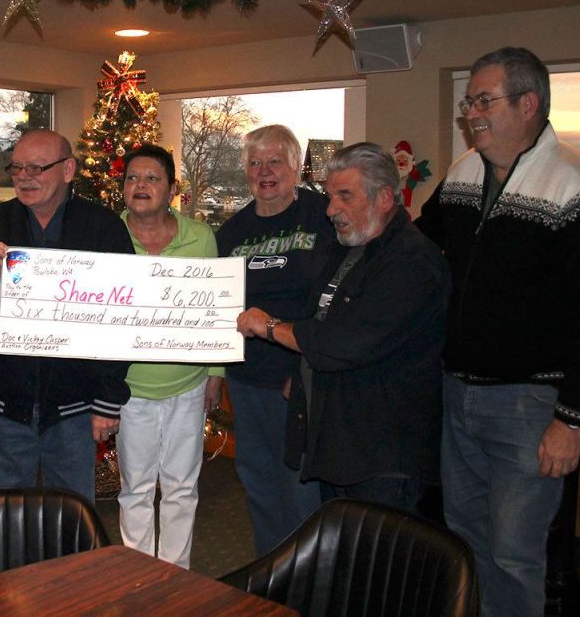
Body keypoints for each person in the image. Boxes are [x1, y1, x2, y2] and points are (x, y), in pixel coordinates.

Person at [416, 47, 580, 616]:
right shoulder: (463, 173)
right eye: (469, 102)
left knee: (513, 555)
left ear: (528, 103)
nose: (471, 114)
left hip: (529, 406)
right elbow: (417, 249)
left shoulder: (578, 188)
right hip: (457, 393)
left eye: (483, 101)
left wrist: (571, 420)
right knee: (464, 540)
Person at [237, 142, 448, 513]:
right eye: (331, 196)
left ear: (384, 198)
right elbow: (318, 317)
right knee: (340, 556)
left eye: (344, 196)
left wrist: (269, 326)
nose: (331, 209)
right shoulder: (346, 248)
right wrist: (301, 373)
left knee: (379, 563)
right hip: (342, 444)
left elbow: (344, 343)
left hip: (385, 453)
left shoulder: (411, 262)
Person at [0, 129, 133, 505]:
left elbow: (121, 319)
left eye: (36, 167)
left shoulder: (103, 227)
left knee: (70, 515)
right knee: (0, 514)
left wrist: (107, 400)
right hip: (6, 405)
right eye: (16, 167)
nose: (24, 176)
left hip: (74, 405)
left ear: (68, 170)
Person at [215, 124, 336, 556]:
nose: (264, 171)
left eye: (275, 161)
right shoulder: (230, 234)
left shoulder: (324, 217)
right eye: (254, 162)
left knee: (301, 488)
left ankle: (309, 581)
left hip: (301, 377)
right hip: (248, 380)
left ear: (297, 165)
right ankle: (272, 573)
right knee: (259, 481)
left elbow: (336, 300)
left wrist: (302, 372)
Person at [114, 144, 223, 569]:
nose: (140, 186)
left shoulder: (202, 238)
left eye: (152, 178)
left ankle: (176, 576)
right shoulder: (106, 236)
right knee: (136, 488)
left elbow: (216, 310)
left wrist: (215, 373)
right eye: (132, 178)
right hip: (129, 388)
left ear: (172, 188)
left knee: (181, 487)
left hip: (188, 385)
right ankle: (137, 576)